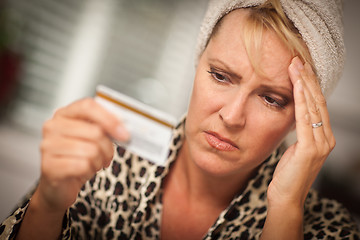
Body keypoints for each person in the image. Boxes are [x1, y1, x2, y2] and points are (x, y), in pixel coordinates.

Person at [1, 0, 359, 239]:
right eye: (221, 75)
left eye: (271, 98)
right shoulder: (102, 161)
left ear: (302, 116)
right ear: (197, 64)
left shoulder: (328, 228)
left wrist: (284, 210)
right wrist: (47, 204)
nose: (232, 116)